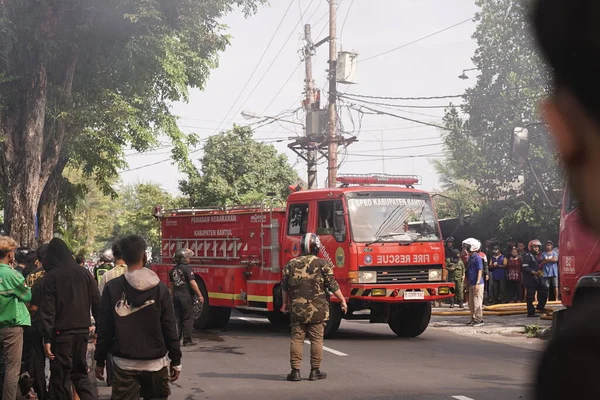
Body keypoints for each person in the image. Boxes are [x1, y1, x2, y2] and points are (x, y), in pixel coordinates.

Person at [95, 235, 182, 399]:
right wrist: (176, 360)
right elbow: (170, 327)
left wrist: (100, 360)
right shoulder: (161, 289)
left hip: (124, 365)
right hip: (156, 364)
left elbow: (104, 329)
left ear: (123, 257)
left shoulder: (112, 288)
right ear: (145, 256)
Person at [281, 233, 348, 382]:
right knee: (317, 340)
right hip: (318, 310)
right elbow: (332, 285)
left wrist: (285, 304)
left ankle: (295, 372)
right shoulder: (323, 264)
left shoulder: (290, 264)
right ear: (316, 247)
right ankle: (314, 371)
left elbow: (284, 287)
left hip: (297, 309)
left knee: (296, 339)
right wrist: (342, 300)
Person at [39, 238, 100, 400]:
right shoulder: (85, 273)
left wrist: (47, 338)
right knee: (80, 374)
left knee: (60, 377)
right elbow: (97, 302)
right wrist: (99, 329)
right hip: (82, 333)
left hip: (61, 334)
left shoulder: (51, 277)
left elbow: (48, 310)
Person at [0, 237, 32, 400]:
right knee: (12, 370)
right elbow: (27, 296)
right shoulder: (12, 274)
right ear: (10, 254)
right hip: (12, 327)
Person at [168, 248, 204, 347]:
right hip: (185, 296)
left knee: (178, 318)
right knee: (188, 318)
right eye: (187, 257)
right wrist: (200, 295)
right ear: (183, 259)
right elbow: (192, 282)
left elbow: (171, 285)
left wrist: (171, 297)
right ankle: (187, 341)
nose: (189, 259)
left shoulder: (172, 270)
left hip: (176, 296)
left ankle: (176, 339)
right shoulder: (187, 269)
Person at [27, 244, 49, 400]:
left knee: (38, 360)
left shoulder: (31, 276)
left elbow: (28, 302)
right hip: (54, 322)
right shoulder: (55, 275)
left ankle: (42, 393)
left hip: (35, 321)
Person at [522, 240, 547, 318]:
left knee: (544, 290)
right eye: (535, 247)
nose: (536, 249)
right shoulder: (528, 256)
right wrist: (533, 272)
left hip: (537, 278)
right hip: (530, 279)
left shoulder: (536, 257)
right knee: (530, 296)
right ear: (530, 247)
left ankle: (540, 307)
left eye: (537, 247)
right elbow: (525, 267)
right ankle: (531, 312)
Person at [463, 238, 484, 327]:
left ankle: (479, 319)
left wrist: (477, 283)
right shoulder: (470, 258)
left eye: (467, 247)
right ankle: (473, 318)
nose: (465, 248)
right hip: (471, 283)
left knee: (477, 302)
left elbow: (480, 270)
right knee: (471, 303)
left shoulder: (477, 257)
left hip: (477, 283)